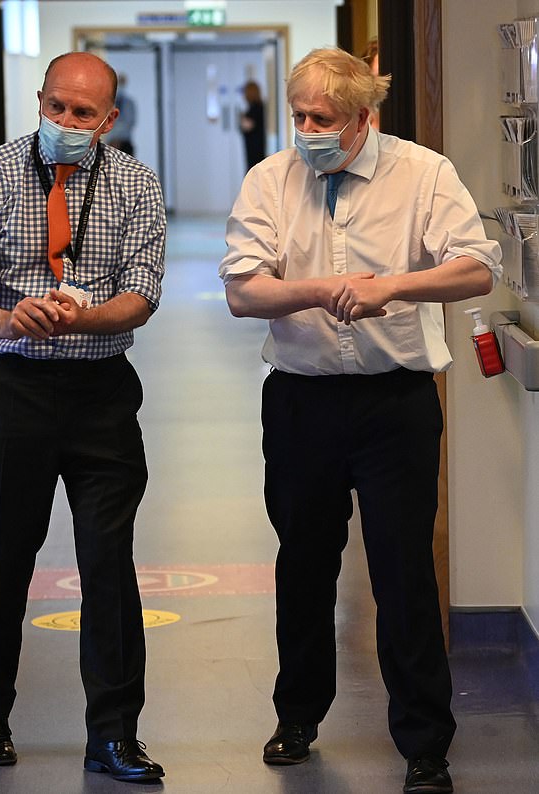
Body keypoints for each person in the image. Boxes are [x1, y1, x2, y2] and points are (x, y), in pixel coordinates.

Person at [219, 47, 502, 794]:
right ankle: (298, 715)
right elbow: (244, 292)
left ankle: (424, 744)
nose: (308, 129)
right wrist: (318, 290)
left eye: (325, 118)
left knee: (404, 571)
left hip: (394, 403)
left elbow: (478, 266)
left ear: (364, 118)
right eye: (300, 114)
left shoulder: (424, 174)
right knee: (303, 562)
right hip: (301, 400)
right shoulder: (269, 181)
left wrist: (393, 288)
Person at [0, 51, 166, 783]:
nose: (66, 124)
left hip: (101, 390)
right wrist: (9, 318)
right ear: (39, 101)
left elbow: (142, 291)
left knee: (108, 563)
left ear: (109, 119)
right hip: (13, 388)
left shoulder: (135, 182)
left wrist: (86, 317)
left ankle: (113, 734)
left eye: (83, 114)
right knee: (1, 557)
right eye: (56, 108)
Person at [239, 80, 266, 171]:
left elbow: (247, 126)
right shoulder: (260, 107)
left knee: (254, 169)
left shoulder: (255, 108)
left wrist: (242, 119)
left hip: (255, 147)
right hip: (258, 146)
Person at [107, 73, 137, 156]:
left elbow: (129, 123)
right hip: (109, 144)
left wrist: (116, 138)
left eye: (121, 82)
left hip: (124, 144)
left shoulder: (129, 103)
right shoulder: (107, 102)